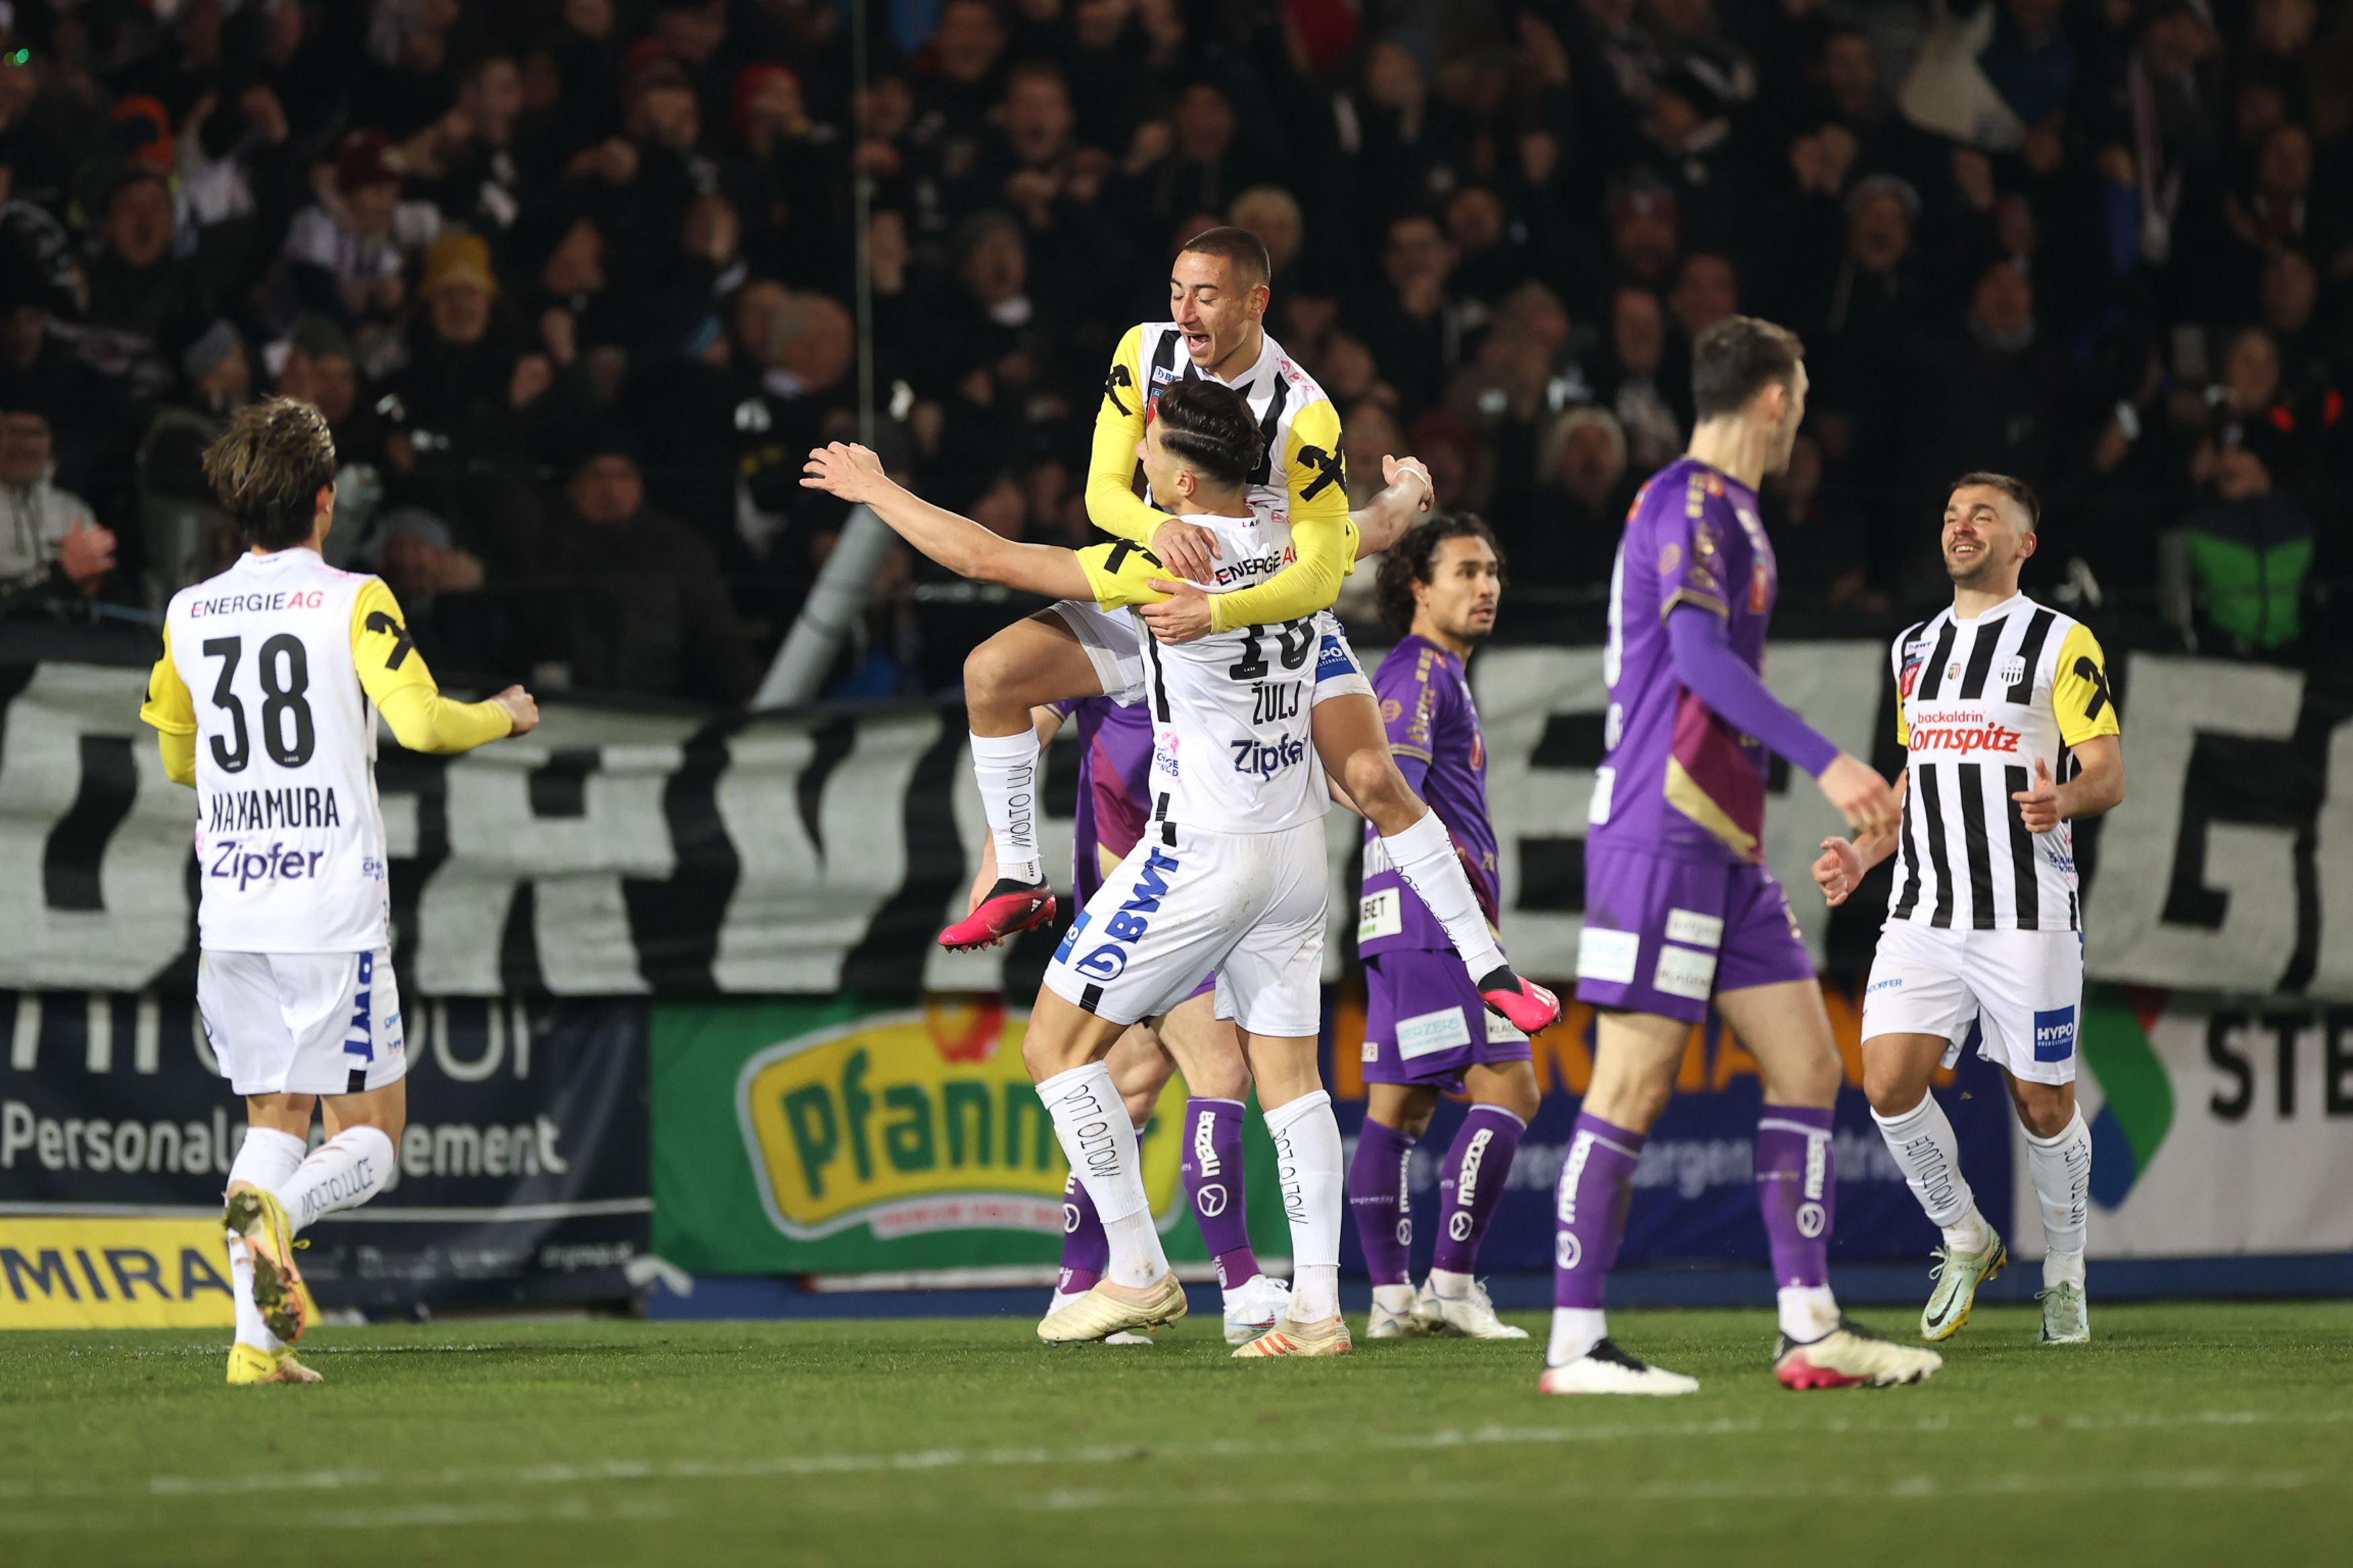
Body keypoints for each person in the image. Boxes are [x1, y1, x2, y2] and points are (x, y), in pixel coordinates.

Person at [805, 381, 1354, 1357]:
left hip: (1206, 853)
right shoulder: (1306, 551)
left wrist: (878, 490)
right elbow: (1364, 524)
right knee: (1295, 1084)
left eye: (1147, 452)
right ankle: (1316, 1310)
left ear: (1184, 477)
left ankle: (1137, 1271)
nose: (1132, 464)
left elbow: (985, 557)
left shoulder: (1159, 565)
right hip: (1299, 851)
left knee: (1055, 1049)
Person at [939, 226, 1560, 1039]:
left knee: (1372, 776)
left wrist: (1225, 604)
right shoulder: (1143, 350)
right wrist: (1155, 530)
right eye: (1175, 291)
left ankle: (1490, 967)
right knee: (993, 673)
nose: (1183, 312)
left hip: (1261, 609)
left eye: (1204, 295)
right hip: (1160, 590)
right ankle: (1018, 877)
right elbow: (1100, 492)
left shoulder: (1303, 411)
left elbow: (1321, 567)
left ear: (1254, 302)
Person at [1546, 315, 1941, 1396]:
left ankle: (1809, 1325)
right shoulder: (1685, 503)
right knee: (1632, 1083)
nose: (1804, 407)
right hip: (1659, 831)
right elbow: (1695, 660)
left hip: (1724, 846)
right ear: (1775, 398)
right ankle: (1575, 1344)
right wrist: (1832, 763)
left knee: (1812, 1064)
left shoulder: (1735, 516)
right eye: (1801, 389)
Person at [136, 399, 539, 1386]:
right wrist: (504, 714)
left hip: (232, 909)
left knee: (273, 1120)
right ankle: (282, 1220)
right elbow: (423, 727)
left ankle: (254, 1347)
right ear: (325, 502)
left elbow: (180, 757)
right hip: (327, 912)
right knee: (371, 1138)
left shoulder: (188, 613)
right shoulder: (350, 598)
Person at [1814, 472, 2123, 1348]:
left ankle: (2066, 1275)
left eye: (1984, 516)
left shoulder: (2061, 641)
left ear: (2025, 542)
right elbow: (1920, 776)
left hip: (2028, 912)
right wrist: (1866, 849)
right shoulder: (1913, 646)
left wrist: (2066, 797)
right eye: (1952, 514)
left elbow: (2108, 769)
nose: (1962, 527)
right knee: (1884, 1082)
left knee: (2044, 1102)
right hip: (1923, 907)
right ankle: (1968, 1237)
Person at [1347, 514, 1540, 1341]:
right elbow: (1387, 788)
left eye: (1491, 570)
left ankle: (1392, 1299)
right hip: (1431, 919)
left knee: (1399, 1106)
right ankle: (1451, 1283)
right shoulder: (1417, 674)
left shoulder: (1435, 675)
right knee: (1511, 1085)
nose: (1485, 585)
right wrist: (1465, 905)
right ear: (1418, 588)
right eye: (1464, 571)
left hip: (1395, 919)